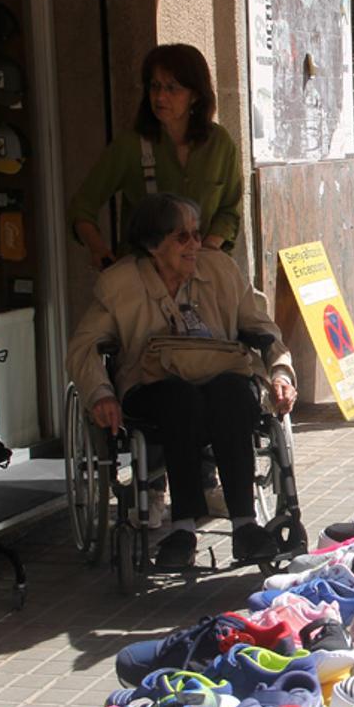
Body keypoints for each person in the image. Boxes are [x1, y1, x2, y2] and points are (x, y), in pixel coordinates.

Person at [66, 193, 297, 568]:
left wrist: (280, 372)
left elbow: (261, 328)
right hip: (151, 386)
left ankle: (245, 524)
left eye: (196, 234)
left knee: (234, 392)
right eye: (182, 237)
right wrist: (100, 393)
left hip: (221, 377)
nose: (195, 245)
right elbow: (83, 347)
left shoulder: (221, 270)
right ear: (153, 245)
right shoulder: (119, 285)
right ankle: (184, 527)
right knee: (180, 399)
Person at [68, 43, 244, 270]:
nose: (160, 97)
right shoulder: (131, 146)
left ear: (195, 95)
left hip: (202, 277)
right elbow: (83, 205)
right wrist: (99, 250)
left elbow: (229, 211)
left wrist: (206, 251)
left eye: (172, 88)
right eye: (155, 86)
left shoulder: (220, 143)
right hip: (145, 278)